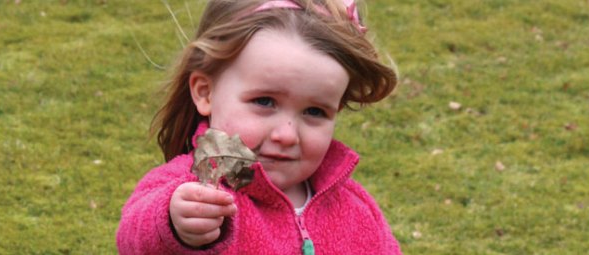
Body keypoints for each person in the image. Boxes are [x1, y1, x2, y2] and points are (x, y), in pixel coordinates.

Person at [117, 0, 400, 253]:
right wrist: (174, 224)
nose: (287, 135)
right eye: (264, 102)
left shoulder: (355, 208)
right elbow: (133, 239)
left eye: (314, 111)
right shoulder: (193, 189)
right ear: (206, 93)